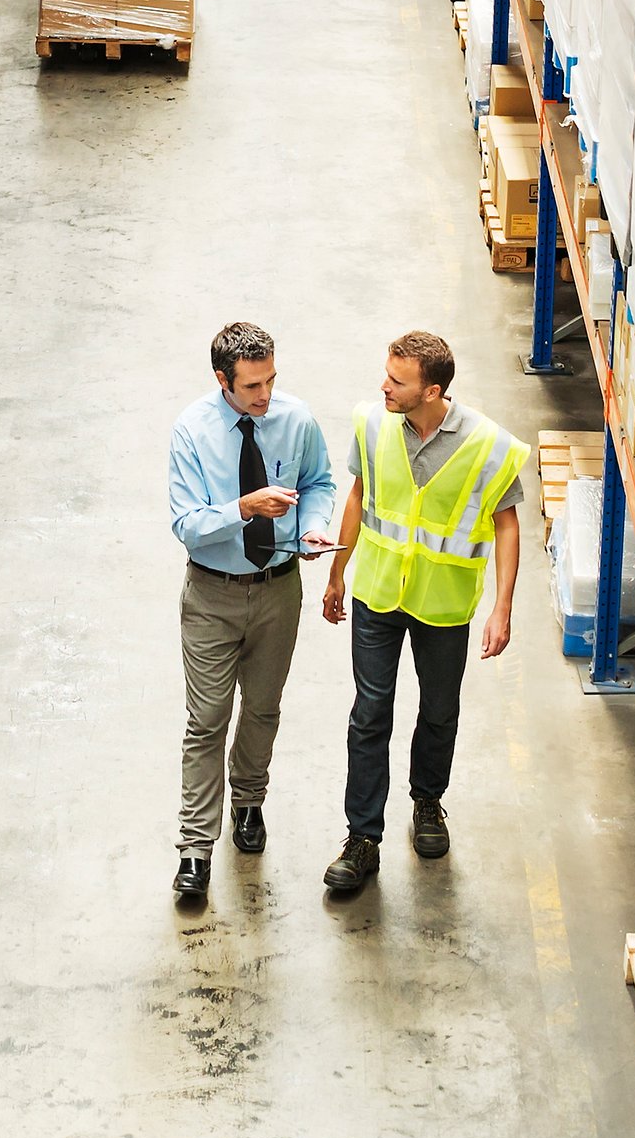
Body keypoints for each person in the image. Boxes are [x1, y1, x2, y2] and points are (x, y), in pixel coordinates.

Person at [317, 330, 527, 902]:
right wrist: (338, 572)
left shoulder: (489, 446)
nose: (383, 387)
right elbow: (359, 495)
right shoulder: (372, 422)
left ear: (432, 390)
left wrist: (501, 607)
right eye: (386, 375)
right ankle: (362, 839)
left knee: (438, 711)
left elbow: (507, 524)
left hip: (443, 603)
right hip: (378, 595)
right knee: (370, 712)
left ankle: (427, 802)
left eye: (397, 381)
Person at [164, 319, 339, 910]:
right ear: (223, 381)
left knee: (263, 707)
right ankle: (194, 849)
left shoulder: (295, 419)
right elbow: (186, 524)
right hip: (212, 595)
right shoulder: (191, 432)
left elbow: (319, 481)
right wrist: (243, 508)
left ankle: (248, 802)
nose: (265, 397)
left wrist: (313, 525)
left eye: (270, 381)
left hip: (277, 590)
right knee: (208, 719)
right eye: (252, 387)